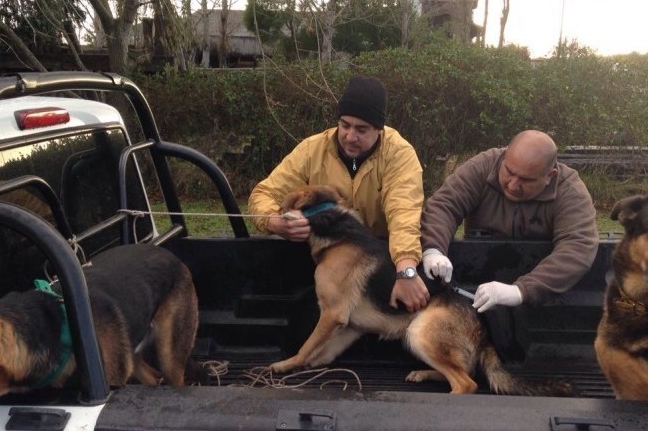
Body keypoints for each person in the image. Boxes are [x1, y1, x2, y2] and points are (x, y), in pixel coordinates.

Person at [248, 75, 429, 312]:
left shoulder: (399, 155)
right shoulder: (312, 150)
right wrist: (274, 222)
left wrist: (406, 270)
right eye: (344, 125)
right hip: (324, 263)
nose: (350, 137)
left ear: (379, 129)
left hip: (380, 265)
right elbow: (263, 194)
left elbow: (403, 213)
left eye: (361, 129)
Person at [420, 130, 599, 312]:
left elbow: (578, 246)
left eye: (526, 180)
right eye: (509, 172)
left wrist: (521, 291)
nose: (513, 185)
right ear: (505, 156)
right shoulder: (483, 166)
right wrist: (433, 249)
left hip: (544, 297)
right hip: (478, 278)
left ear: (550, 176)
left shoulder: (570, 191)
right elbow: (445, 205)